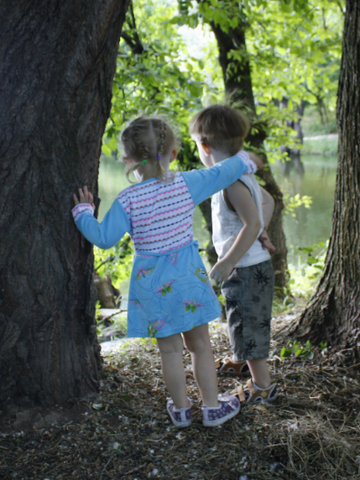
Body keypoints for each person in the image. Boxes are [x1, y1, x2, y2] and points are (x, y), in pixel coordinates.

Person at [71, 116, 259, 427]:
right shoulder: (187, 183)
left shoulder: (127, 199)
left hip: (152, 284)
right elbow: (224, 172)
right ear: (172, 153)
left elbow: (103, 238)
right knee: (200, 345)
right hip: (187, 279)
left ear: (128, 159)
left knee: (170, 350)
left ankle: (182, 412)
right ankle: (212, 409)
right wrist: (245, 159)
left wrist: (82, 214)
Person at [189, 104, 279, 405]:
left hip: (245, 268)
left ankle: (262, 387)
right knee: (243, 322)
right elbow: (267, 204)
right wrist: (261, 230)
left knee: (248, 327)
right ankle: (243, 361)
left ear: (205, 146)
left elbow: (252, 221)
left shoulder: (231, 183)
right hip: (254, 265)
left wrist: (227, 261)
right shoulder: (243, 177)